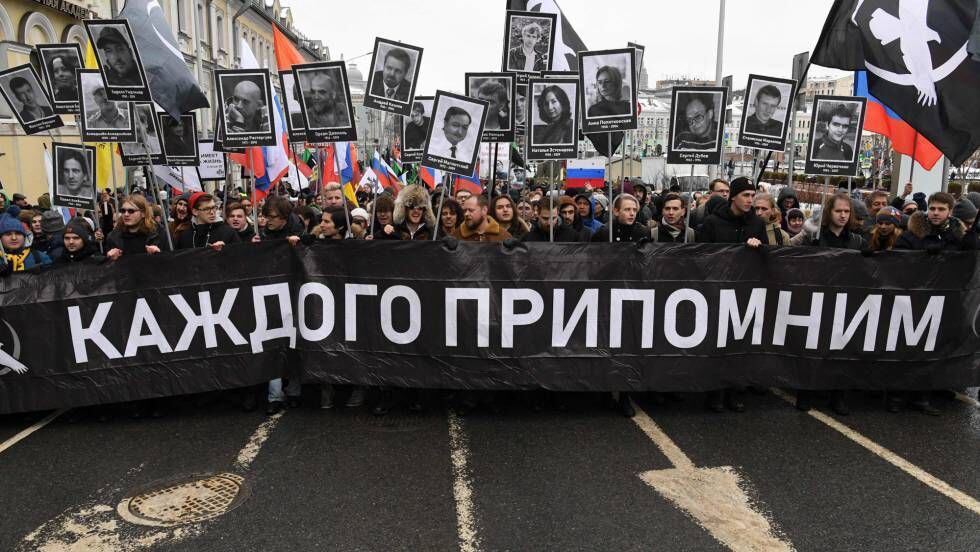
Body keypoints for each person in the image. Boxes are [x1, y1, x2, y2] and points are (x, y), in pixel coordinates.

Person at [697, 177, 767, 413]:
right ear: (733, 197)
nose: (750, 200)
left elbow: (767, 258)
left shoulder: (757, 224)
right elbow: (701, 257)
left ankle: (735, 392)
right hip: (716, 293)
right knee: (716, 345)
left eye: (752, 195)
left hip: (744, 294)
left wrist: (758, 248)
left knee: (740, 344)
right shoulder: (712, 223)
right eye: (746, 195)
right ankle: (714, 392)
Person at [105, 195, 169, 260]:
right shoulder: (113, 237)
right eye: (123, 211)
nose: (126, 214)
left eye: (131, 211)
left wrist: (160, 254)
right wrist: (110, 259)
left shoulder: (158, 233)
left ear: (143, 213)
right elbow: (106, 267)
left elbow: (170, 262)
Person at [176, 193, 240, 250]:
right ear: (195, 212)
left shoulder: (228, 232)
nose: (212, 212)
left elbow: (241, 256)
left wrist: (226, 250)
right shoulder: (185, 235)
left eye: (214, 207)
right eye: (207, 209)